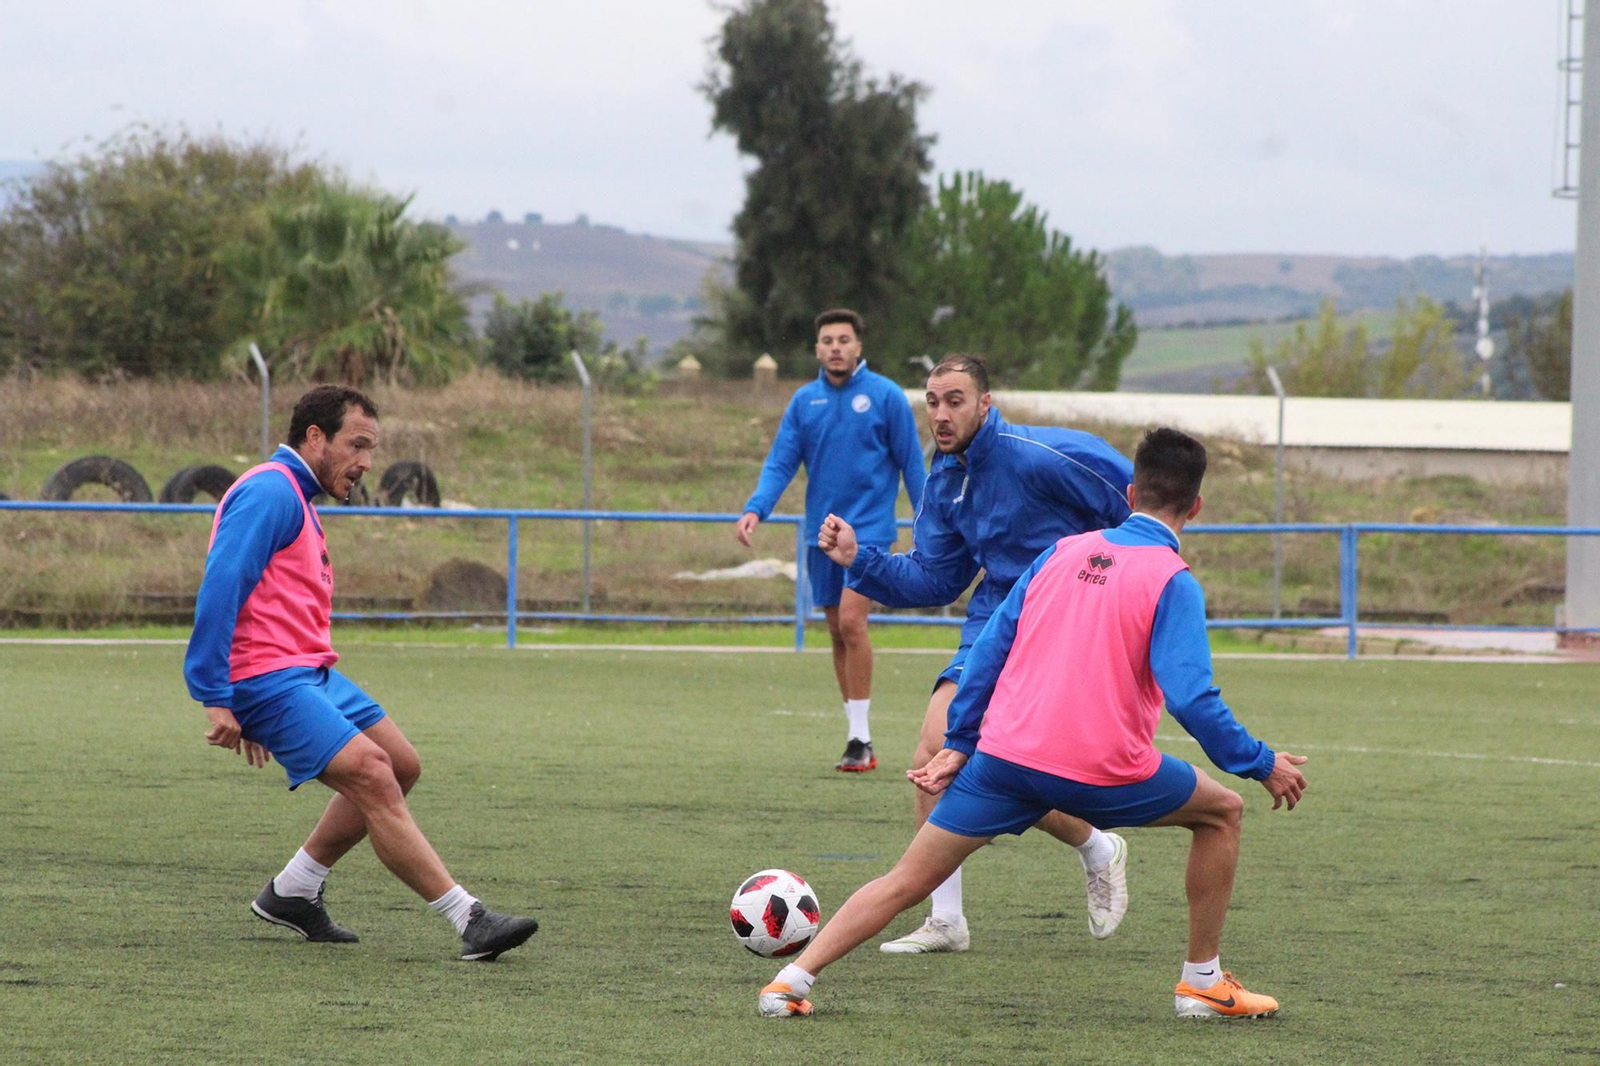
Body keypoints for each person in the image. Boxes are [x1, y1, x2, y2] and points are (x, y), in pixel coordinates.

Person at [760, 426, 1310, 1020]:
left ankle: (790, 981)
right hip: (1102, 774)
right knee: (1223, 812)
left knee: (905, 879)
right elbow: (1192, 699)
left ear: (1129, 493)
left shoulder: (1060, 552)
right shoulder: (1172, 580)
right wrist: (1260, 762)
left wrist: (962, 741)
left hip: (1003, 763)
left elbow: (989, 649)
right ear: (1196, 506)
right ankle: (1202, 984)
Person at [182, 385, 538, 961]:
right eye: (358, 445)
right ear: (315, 437)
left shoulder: (295, 495)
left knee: (401, 764)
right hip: (268, 676)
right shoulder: (271, 491)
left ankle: (293, 890)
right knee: (373, 773)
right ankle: (468, 917)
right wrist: (217, 695)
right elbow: (221, 588)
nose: (367, 463)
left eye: (372, 449)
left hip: (307, 671)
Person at [818, 353, 1135, 952]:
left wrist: (1127, 581)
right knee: (933, 750)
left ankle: (1096, 844)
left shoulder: (1046, 455)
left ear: (985, 404)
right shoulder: (945, 478)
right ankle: (948, 919)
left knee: (970, 754)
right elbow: (936, 578)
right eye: (932, 401)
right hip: (996, 620)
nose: (940, 413)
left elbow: (1142, 506)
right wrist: (860, 559)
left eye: (955, 400)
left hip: (1061, 618)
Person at [736, 308, 926, 772]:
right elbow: (781, 462)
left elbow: (913, 464)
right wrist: (755, 508)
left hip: (870, 535)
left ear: (859, 346)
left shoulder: (886, 397)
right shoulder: (805, 402)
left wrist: (928, 520)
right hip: (820, 536)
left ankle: (860, 738)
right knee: (837, 631)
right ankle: (857, 734)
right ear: (817, 348)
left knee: (852, 622)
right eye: (827, 340)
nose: (836, 347)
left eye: (844, 339)